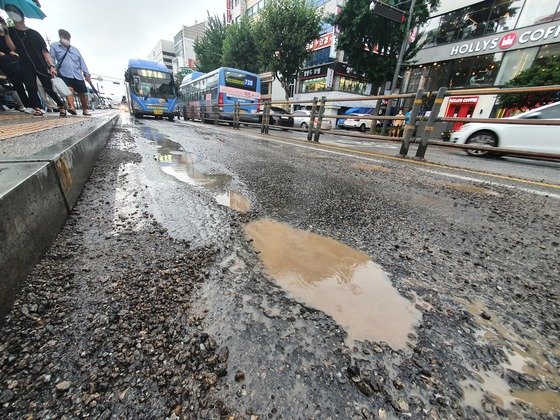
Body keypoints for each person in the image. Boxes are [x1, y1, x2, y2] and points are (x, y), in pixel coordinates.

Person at [4, 5, 66, 117]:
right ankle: (38, 108)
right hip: (25, 64)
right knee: (31, 86)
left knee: (48, 88)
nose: (12, 14)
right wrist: (6, 33)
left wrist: (51, 65)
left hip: (40, 64)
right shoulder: (11, 31)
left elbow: (45, 51)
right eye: (10, 13)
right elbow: (12, 48)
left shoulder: (35, 33)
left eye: (14, 12)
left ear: (22, 16)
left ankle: (61, 105)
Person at [50, 29, 92, 116]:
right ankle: (72, 107)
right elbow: (52, 58)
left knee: (82, 93)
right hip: (64, 72)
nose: (66, 39)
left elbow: (82, 62)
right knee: (69, 90)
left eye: (68, 38)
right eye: (64, 37)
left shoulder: (75, 49)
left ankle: (85, 110)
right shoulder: (54, 46)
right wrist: (52, 67)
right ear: (60, 37)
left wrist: (86, 74)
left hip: (77, 74)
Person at [0, 17, 32, 113]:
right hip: (4, 63)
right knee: (15, 84)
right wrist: (6, 55)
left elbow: (14, 47)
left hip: (15, 61)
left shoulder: (9, 33)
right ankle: (24, 105)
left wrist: (6, 33)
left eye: (2, 23)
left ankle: (32, 105)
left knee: (27, 82)